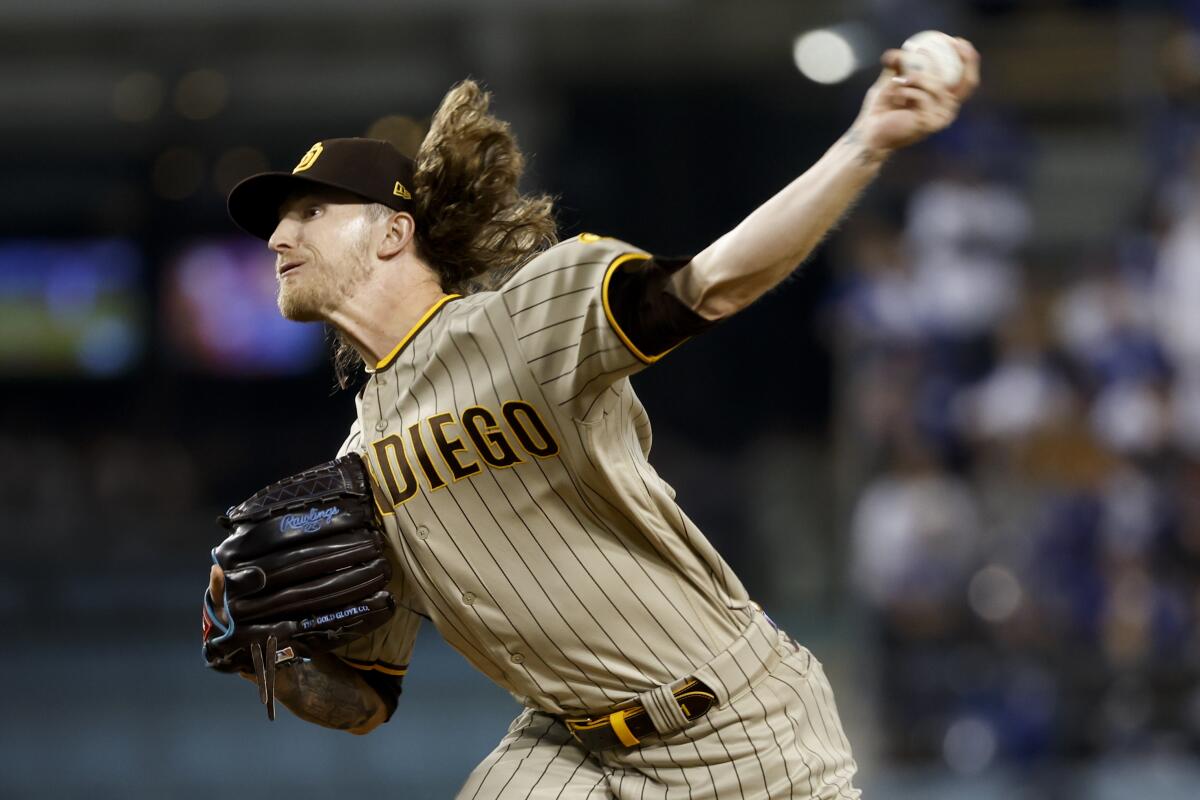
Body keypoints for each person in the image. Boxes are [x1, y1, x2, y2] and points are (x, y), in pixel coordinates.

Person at [208, 40, 979, 799]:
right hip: (568, 745)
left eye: (311, 211)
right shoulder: (356, 473)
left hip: (737, 724)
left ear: (392, 233)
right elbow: (367, 700)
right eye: (281, 221)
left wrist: (864, 142)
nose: (280, 237)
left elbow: (711, 283)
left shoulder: (521, 318)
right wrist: (270, 653)